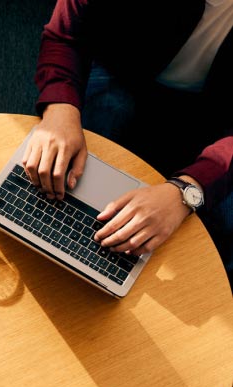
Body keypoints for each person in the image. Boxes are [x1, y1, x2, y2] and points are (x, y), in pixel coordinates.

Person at [24, 0, 233, 258]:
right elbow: (67, 33)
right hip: (126, 70)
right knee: (63, 177)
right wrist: (60, 107)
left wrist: (187, 191)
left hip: (219, 115)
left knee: (218, 243)